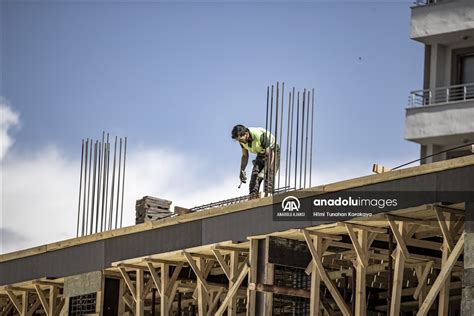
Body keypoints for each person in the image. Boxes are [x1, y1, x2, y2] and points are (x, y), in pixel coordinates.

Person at [231, 124, 280, 196]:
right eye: (238, 140)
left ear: (246, 134)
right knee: (254, 178)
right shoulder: (242, 141)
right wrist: (242, 171)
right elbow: (245, 156)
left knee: (269, 176)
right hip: (260, 153)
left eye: (241, 140)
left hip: (272, 153)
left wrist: (263, 172)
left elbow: (270, 155)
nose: (240, 142)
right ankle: (252, 198)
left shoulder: (260, 136)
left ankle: (268, 197)